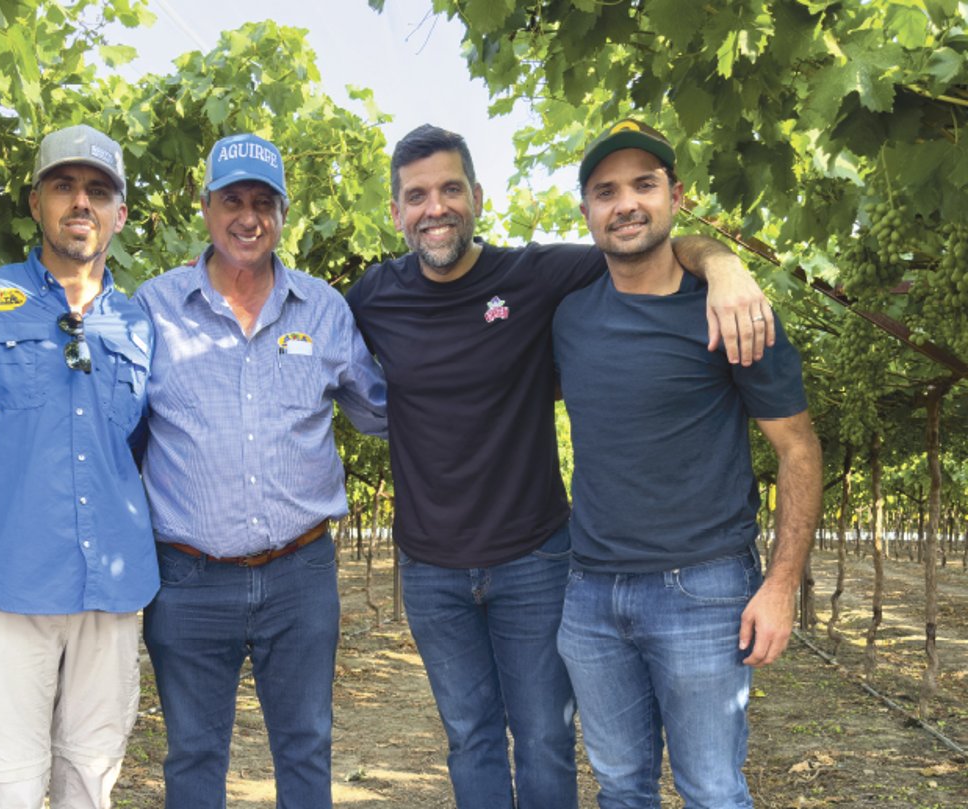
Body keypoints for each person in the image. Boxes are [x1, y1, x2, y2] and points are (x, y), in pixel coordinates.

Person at [344, 124, 775, 808]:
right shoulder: (372, 297)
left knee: (546, 734)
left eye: (451, 188)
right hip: (430, 568)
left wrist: (724, 264)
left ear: (477, 196)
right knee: (469, 735)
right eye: (417, 195)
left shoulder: (536, 276)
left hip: (536, 560)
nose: (436, 208)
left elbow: (644, 244)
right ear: (396, 212)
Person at [553, 119, 822, 807]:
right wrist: (719, 255)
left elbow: (797, 447)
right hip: (590, 594)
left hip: (703, 590)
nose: (626, 204)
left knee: (711, 790)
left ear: (676, 194)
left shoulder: (733, 313)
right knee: (620, 787)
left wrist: (783, 583)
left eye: (645, 184)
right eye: (606, 191)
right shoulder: (568, 316)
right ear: (586, 210)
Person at [134, 133, 388, 809]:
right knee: (192, 754)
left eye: (263, 202)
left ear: (282, 213)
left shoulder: (324, 310)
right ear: (206, 207)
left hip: (299, 574)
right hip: (186, 578)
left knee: (305, 746)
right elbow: (116, 430)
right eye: (232, 199)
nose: (248, 216)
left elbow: (380, 412)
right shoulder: (153, 308)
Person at [0, 124, 156, 808]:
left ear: (119, 214)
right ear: (35, 201)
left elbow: (143, 445)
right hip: (5, 584)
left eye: (99, 191)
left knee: (90, 784)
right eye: (63, 186)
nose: (81, 203)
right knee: (7, 786)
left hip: (112, 592)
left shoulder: (139, 324)